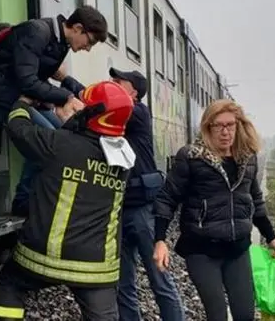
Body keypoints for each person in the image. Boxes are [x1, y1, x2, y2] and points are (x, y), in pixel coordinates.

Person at [0, 81, 136, 321]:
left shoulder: (59, 144)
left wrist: (23, 104)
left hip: (43, 258)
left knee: (11, 284)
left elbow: (18, 127)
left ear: (89, 113)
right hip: (96, 268)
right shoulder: (125, 159)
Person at [54, 67, 185, 320]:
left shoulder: (137, 112)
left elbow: (98, 103)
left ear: (133, 92)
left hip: (143, 211)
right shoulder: (121, 114)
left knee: (160, 280)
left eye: (118, 81)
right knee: (123, 283)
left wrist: (66, 80)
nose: (111, 82)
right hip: (118, 210)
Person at [153, 99, 275, 321]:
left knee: (245, 314)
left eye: (230, 125)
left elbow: (256, 201)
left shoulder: (247, 158)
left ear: (238, 126)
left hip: (237, 249)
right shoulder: (191, 157)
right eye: (218, 126)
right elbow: (168, 198)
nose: (225, 132)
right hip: (201, 249)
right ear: (208, 127)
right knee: (217, 315)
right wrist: (160, 240)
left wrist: (271, 237)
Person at [0, 5, 108, 216]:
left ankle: (40, 196)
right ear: (78, 28)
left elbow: (33, 78)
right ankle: (24, 201)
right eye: (90, 42)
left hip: (20, 95)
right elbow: (27, 80)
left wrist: (52, 103)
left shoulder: (59, 42)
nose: (88, 48)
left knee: (64, 133)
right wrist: (65, 97)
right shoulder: (37, 32)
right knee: (47, 142)